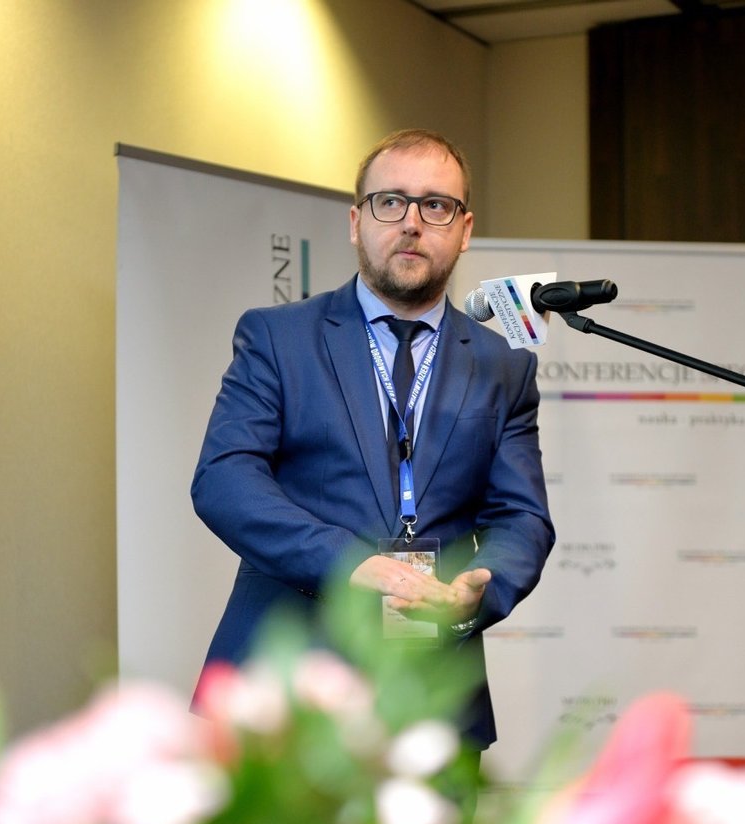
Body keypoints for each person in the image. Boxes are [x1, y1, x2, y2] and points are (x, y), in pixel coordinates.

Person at [190, 128, 554, 752]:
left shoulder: (503, 365)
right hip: (286, 685)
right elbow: (224, 479)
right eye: (391, 202)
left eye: (436, 205)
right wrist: (350, 562)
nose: (412, 222)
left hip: (432, 694)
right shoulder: (279, 338)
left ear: (464, 229)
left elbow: (522, 516)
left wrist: (481, 585)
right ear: (357, 222)